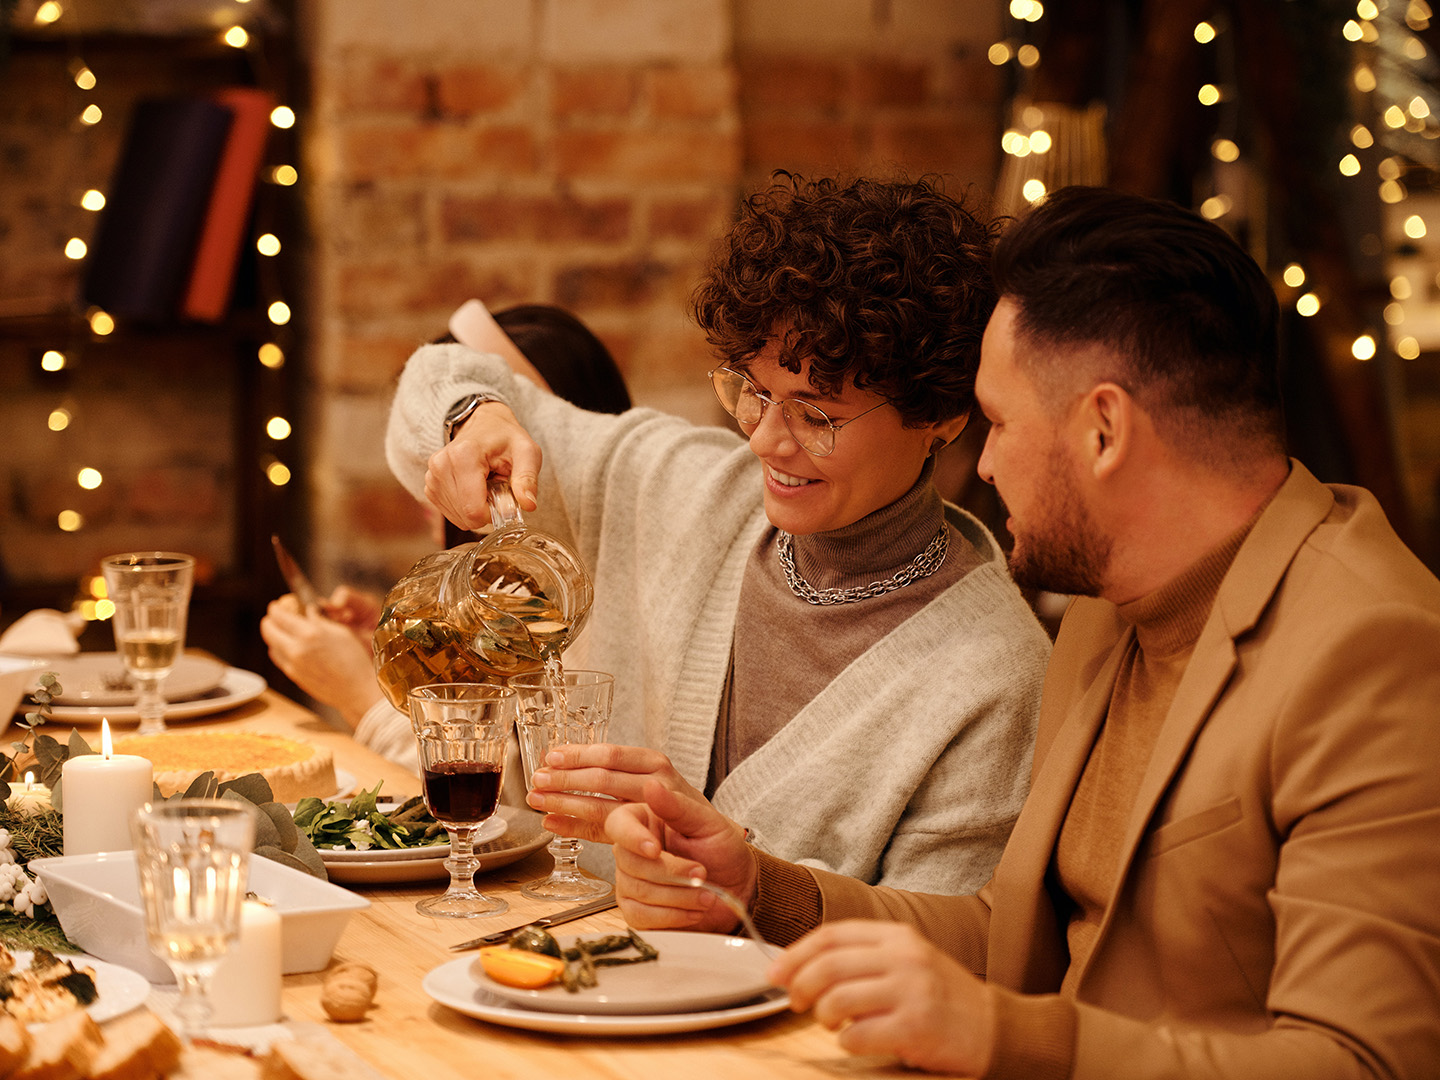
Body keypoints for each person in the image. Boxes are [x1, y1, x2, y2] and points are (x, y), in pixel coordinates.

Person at [600, 186, 1440, 1078]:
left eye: (998, 423)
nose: (986, 466)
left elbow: (1365, 1063)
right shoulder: (1105, 609)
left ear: (1104, 430)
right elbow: (1013, 934)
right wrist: (758, 889)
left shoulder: (1375, 652)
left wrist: (1006, 1037)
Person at [385, 173, 1052, 893]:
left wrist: (747, 879)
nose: (767, 441)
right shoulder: (683, 487)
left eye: (816, 415)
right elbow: (439, 370)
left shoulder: (993, 675)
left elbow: (932, 949)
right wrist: (475, 418)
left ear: (942, 418)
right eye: (754, 392)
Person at [259, 302, 631, 772]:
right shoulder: (524, 593)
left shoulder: (594, 616)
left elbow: (512, 807)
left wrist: (361, 696)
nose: (428, 490)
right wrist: (429, 642)